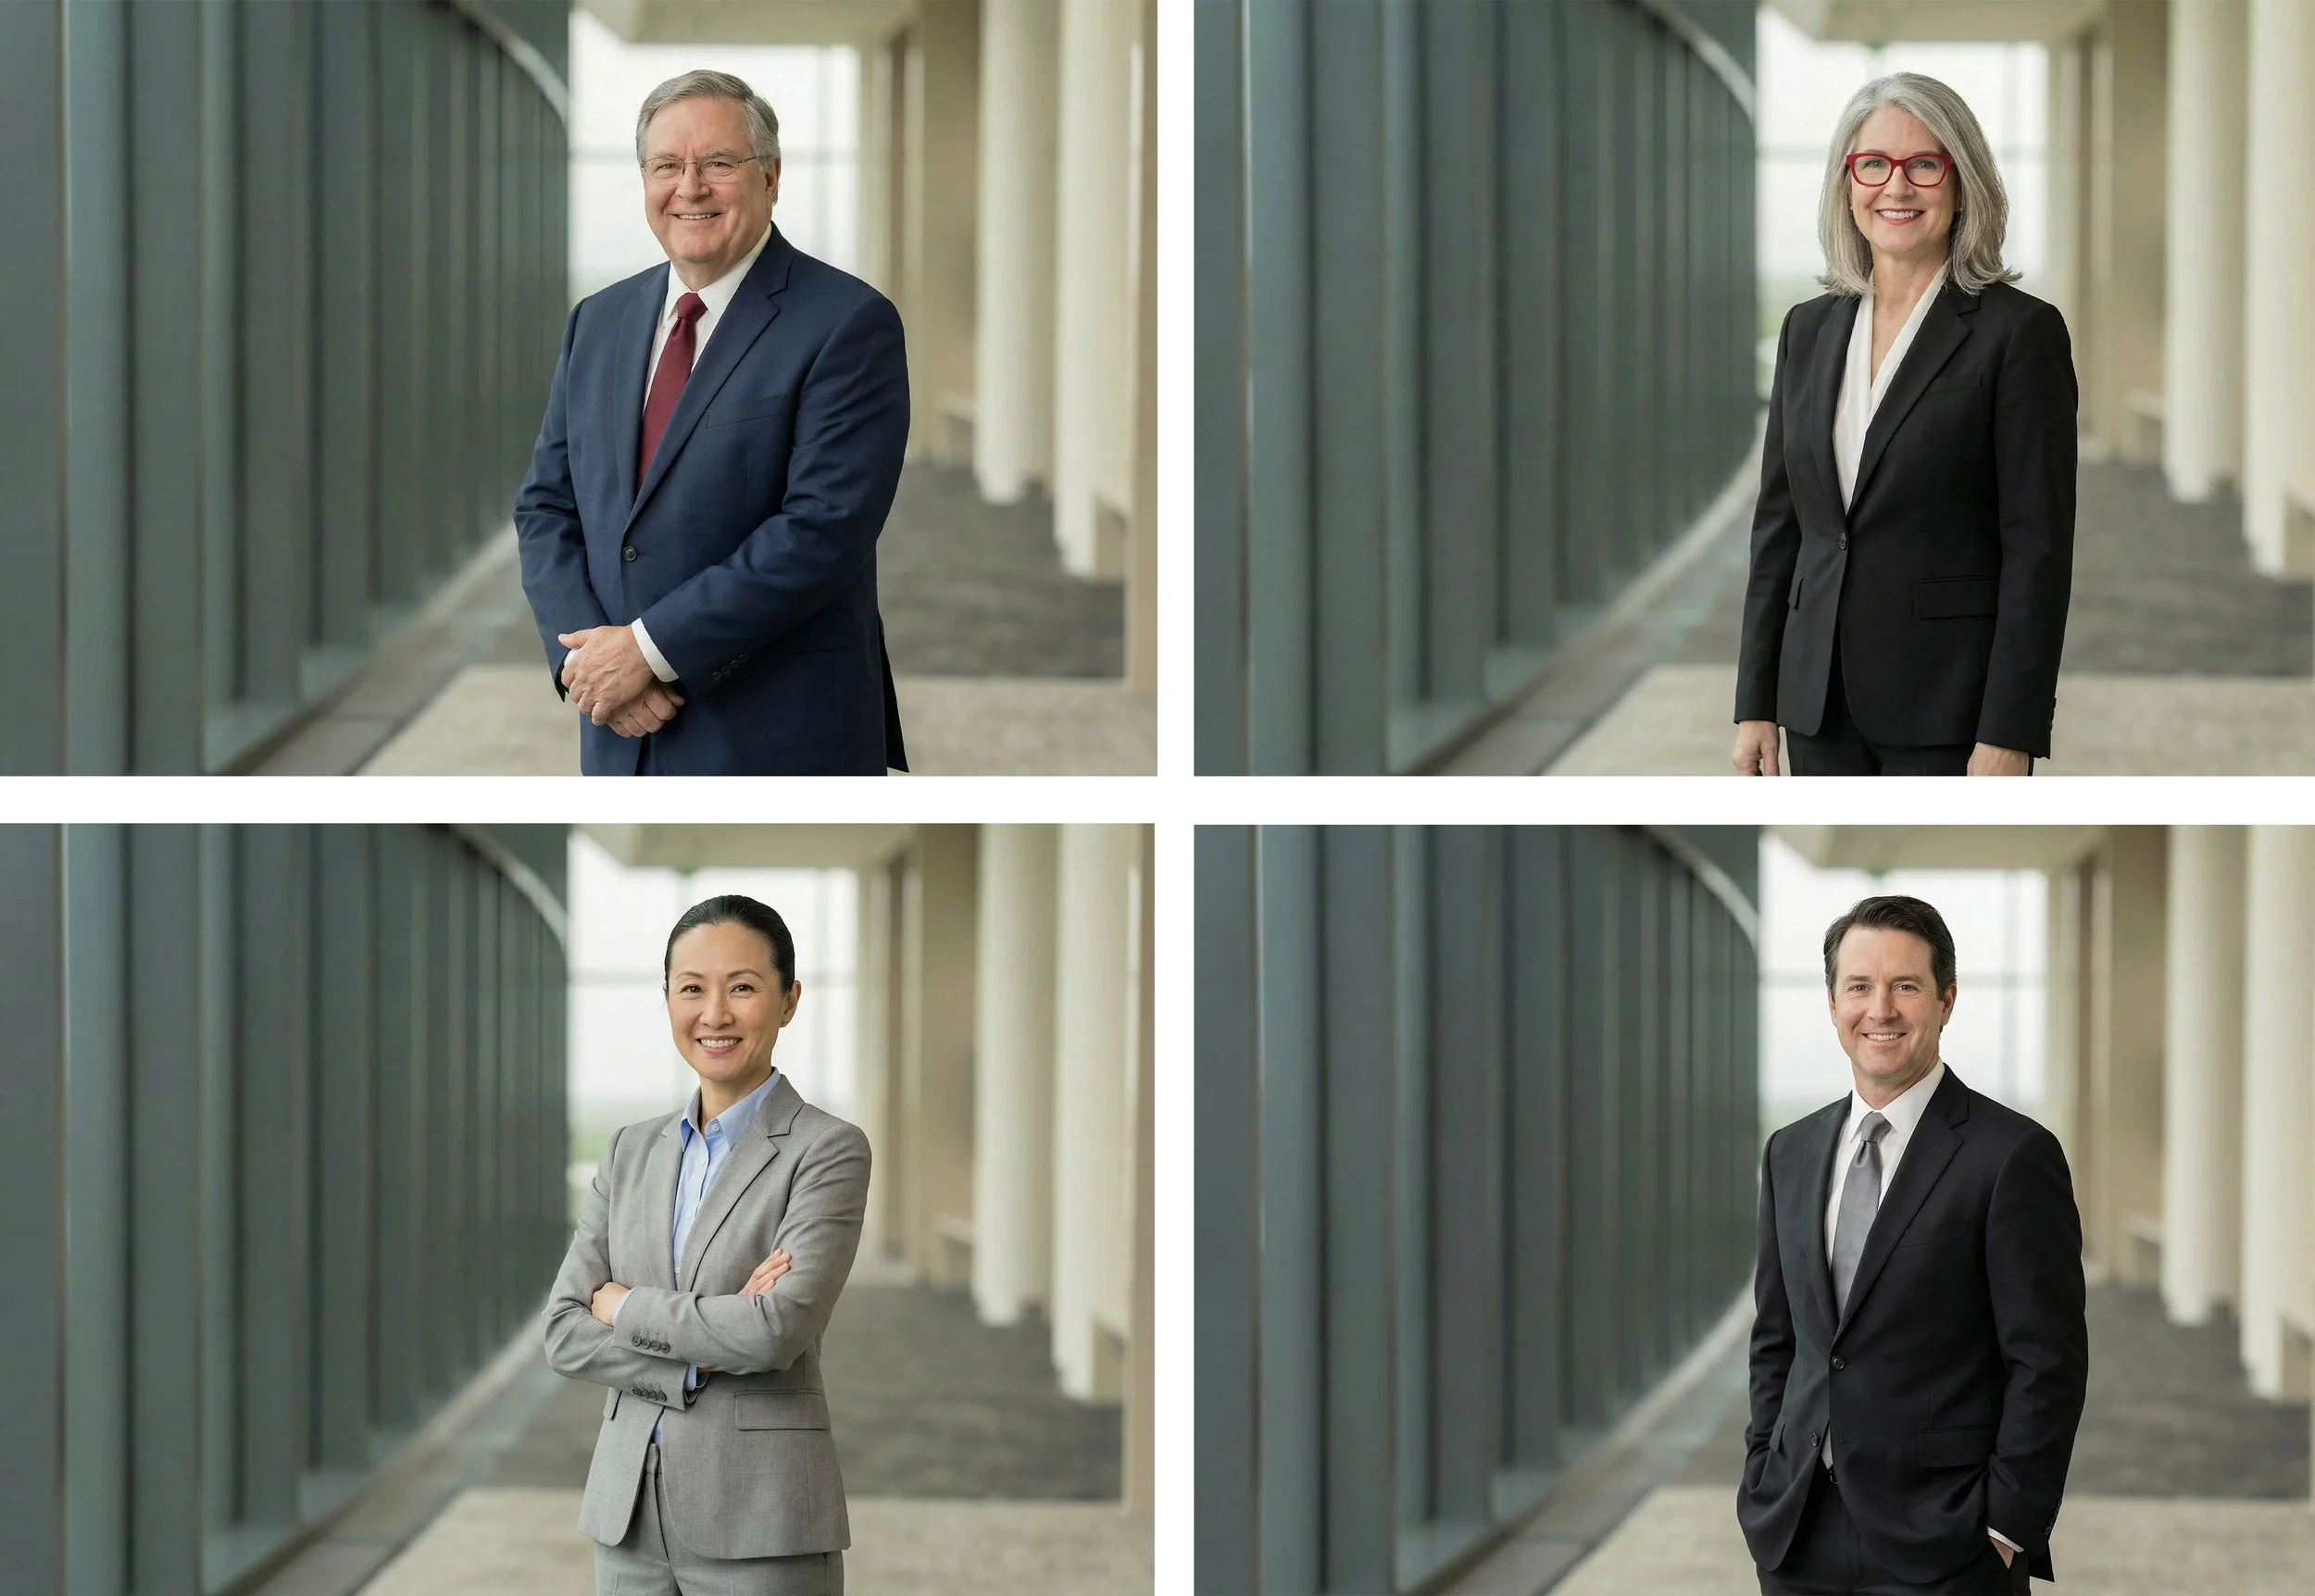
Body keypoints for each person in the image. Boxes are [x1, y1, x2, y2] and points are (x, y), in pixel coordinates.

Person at [515, 70, 910, 775]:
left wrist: (647, 651)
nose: (690, 187)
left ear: (771, 176)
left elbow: (823, 529)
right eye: (667, 165)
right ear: (644, 180)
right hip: (617, 731)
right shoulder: (596, 321)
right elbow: (547, 505)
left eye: (719, 164)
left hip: (774, 732)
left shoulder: (848, 323)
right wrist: (590, 662)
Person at [1738, 895, 2086, 1594]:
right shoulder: (1791, 1152)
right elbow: (1780, 1337)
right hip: (1797, 1532)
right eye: (1859, 987)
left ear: (1946, 1000)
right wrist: (1761, 1468)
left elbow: (2047, 1359)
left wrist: (2006, 1526)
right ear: (1833, 1002)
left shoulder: (2012, 1155)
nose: (1881, 1010)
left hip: (1949, 1543)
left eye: (1906, 986)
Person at [1733, 74, 2076, 778]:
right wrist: (1756, 702)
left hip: (1949, 703)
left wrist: (2009, 729)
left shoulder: (2020, 333)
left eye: (1924, 164)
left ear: (1962, 180)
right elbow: (1781, 531)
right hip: (1817, 701)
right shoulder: (1807, 330)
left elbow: (2037, 551)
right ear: (1846, 182)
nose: (1897, 188)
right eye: (1873, 164)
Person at [544, 894, 870, 1594]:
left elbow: (773, 1333)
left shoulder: (827, 1150)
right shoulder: (631, 1150)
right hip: (627, 1518)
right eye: (691, 988)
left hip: (762, 1521)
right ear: (667, 1000)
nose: (714, 1014)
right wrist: (698, 1356)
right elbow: (564, 1331)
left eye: (744, 988)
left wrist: (623, 1305)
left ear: (788, 1001)